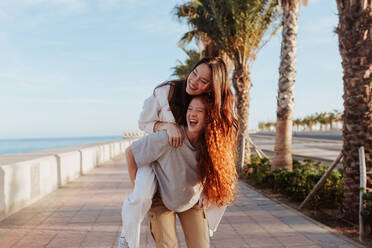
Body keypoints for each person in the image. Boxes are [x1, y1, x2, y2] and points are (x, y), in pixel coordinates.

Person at [118, 57, 238, 248]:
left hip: (188, 197)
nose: (194, 81)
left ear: (210, 90)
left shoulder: (211, 136)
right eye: (194, 73)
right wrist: (166, 126)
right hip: (160, 172)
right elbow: (141, 129)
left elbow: (220, 164)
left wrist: (208, 189)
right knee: (141, 196)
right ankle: (127, 238)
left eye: (203, 81)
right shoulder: (169, 93)